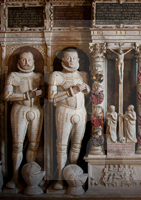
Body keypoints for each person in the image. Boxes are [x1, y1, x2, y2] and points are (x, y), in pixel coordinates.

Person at [48, 48, 90, 190]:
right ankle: (59, 178)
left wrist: (86, 89)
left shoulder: (82, 75)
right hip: (64, 111)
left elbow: (89, 94)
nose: (71, 61)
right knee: (62, 146)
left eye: (74, 58)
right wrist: (73, 91)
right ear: (63, 60)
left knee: (77, 145)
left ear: (78, 60)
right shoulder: (57, 75)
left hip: (81, 112)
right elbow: (52, 97)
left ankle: (73, 176)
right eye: (68, 58)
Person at [4, 51, 43, 190]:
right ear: (18, 62)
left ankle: (30, 177)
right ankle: (14, 177)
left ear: (33, 62)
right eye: (23, 60)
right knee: (17, 145)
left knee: (33, 145)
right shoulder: (13, 76)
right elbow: (7, 95)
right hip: (19, 110)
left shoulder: (39, 76)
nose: (26, 63)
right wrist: (27, 95)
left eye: (29, 60)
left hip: (36, 111)